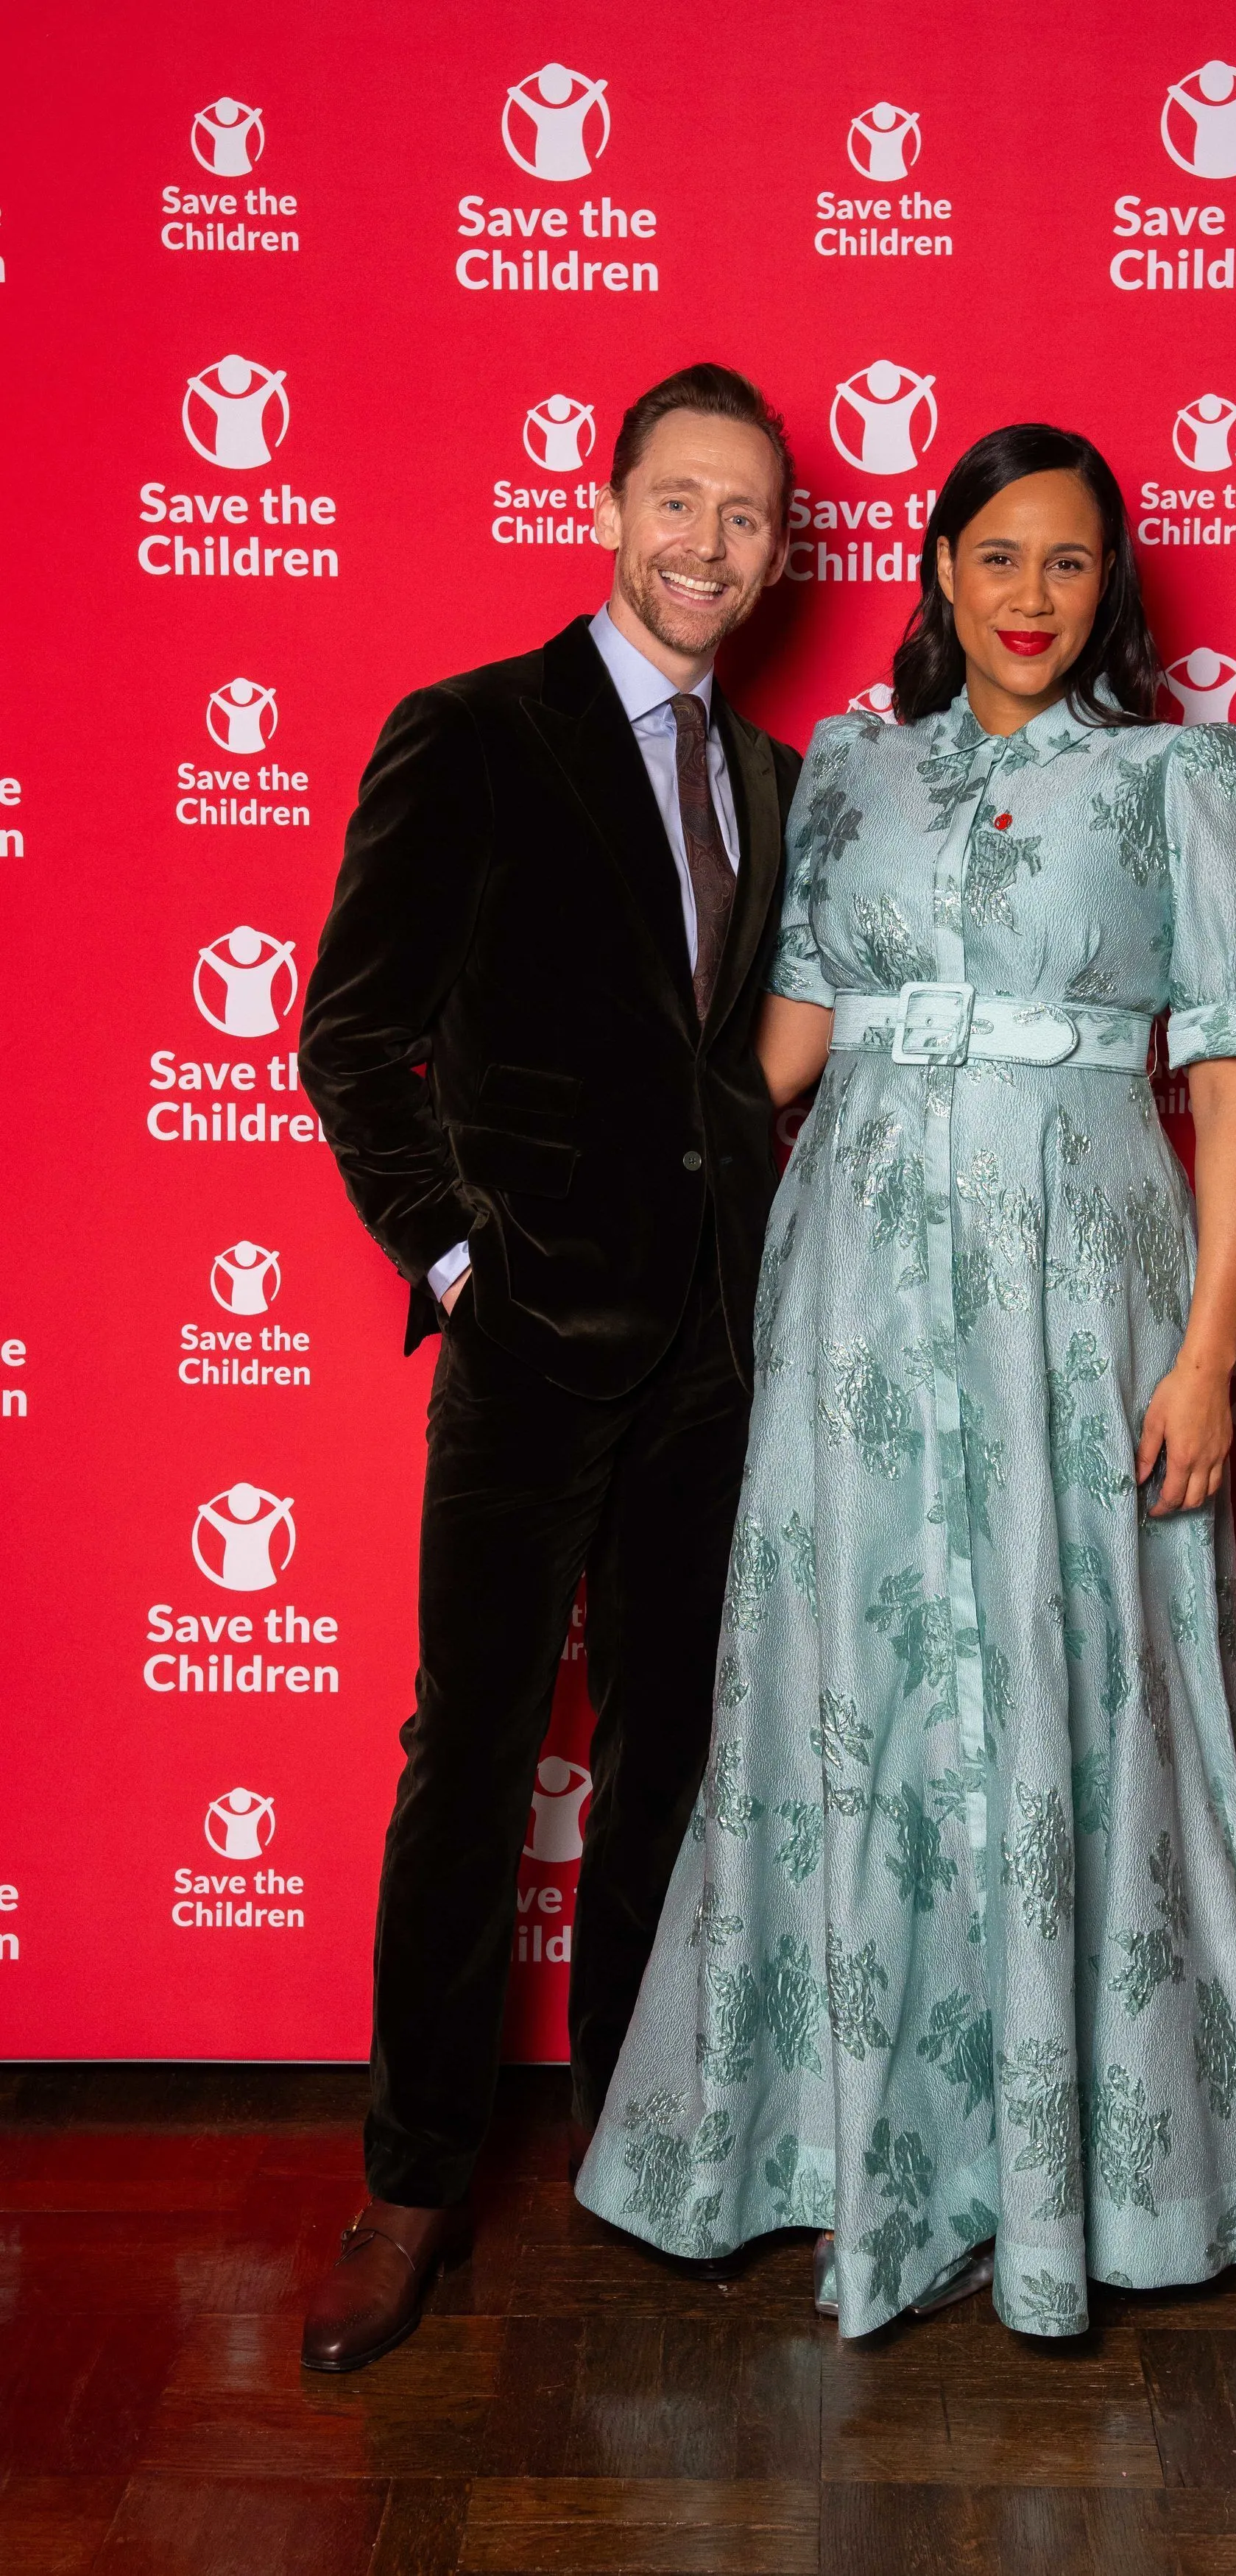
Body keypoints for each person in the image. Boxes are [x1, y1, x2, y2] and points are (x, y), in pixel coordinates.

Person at [579, 422, 1236, 2337]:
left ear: (1110, 588)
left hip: (1087, 1301)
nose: (1027, 597)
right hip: (855, 1304)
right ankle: (818, 2152)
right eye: (993, 556)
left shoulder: (1187, 781)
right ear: (935, 570)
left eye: (1067, 563)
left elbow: (1232, 1087)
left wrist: (1207, 1347)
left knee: (1071, 1686)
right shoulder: (853, 776)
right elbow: (783, 1053)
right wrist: (583, 1186)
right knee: (857, 1695)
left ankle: (1087, 2179)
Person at [293, 366, 799, 2373]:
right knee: (470, 1761)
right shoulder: (477, 731)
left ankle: (632, 2136)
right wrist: (453, 1252)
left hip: (712, 1356)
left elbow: (738, 1068)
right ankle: (411, 2179)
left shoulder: (766, 776)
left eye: (747, 515)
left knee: (668, 1758)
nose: (708, 543)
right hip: (528, 1345)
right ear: (608, 505)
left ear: (777, 550)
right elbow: (352, 1025)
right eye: (678, 500)